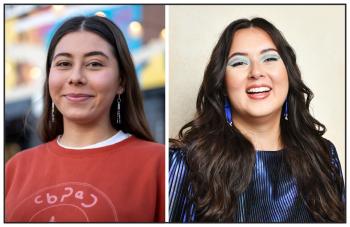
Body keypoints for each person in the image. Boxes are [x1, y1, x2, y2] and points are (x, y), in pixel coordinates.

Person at [169, 17, 345, 223]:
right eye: (239, 62)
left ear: (289, 73)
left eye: (269, 59)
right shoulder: (186, 162)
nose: (256, 72)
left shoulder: (323, 156)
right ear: (222, 83)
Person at [6, 16, 165, 222]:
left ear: (122, 81)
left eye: (94, 64)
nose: (76, 77)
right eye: (63, 63)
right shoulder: (15, 168)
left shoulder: (158, 164)